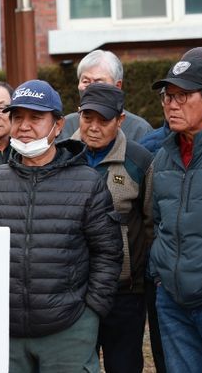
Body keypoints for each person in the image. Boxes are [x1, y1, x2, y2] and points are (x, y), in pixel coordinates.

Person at [0, 79, 122, 372]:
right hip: (6, 331)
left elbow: (108, 253)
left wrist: (91, 312)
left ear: (58, 125)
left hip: (68, 330)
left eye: (36, 118)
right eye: (17, 117)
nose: (24, 126)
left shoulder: (87, 182)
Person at [73, 83, 154, 373]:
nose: (94, 127)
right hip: (74, 292)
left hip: (124, 294)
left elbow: (149, 223)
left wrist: (138, 277)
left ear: (120, 120)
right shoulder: (62, 155)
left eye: (103, 120)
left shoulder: (139, 161)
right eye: (87, 118)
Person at [148, 57, 202, 373]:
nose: (171, 104)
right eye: (167, 96)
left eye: (182, 95)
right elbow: (157, 221)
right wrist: (160, 277)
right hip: (172, 300)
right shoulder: (162, 157)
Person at [58, 50, 152, 142]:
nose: (91, 88)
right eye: (85, 81)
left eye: (99, 82)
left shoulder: (139, 130)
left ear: (117, 86)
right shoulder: (65, 126)